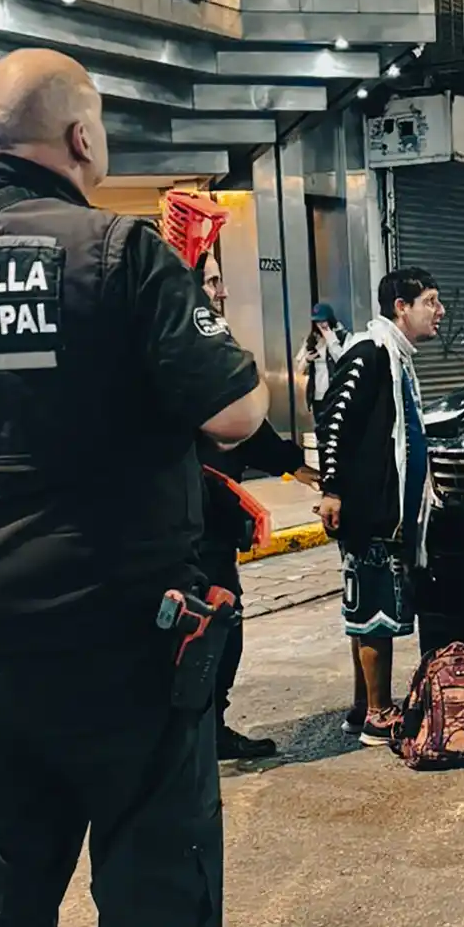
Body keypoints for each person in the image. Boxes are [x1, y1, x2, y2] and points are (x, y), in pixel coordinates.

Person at [0, 49, 270, 927]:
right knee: (156, 897)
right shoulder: (123, 255)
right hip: (129, 650)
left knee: (3, 900)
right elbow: (236, 414)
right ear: (82, 137)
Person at [192, 251, 321, 761]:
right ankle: (198, 737)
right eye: (212, 282)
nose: (222, 292)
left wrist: (310, 473)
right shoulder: (184, 355)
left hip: (208, 523)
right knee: (212, 629)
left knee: (217, 629)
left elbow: (260, 441)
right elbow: (245, 420)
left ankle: (205, 730)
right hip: (190, 526)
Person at [314, 267, 444, 745]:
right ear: (401, 308)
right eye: (430, 301)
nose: (439, 311)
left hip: (384, 513)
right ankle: (377, 712)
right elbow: (332, 420)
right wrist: (331, 488)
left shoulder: (396, 358)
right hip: (370, 513)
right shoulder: (370, 353)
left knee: (370, 611)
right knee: (374, 614)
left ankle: (360, 707)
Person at [296, 302, 350, 418]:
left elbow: (343, 362)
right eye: (317, 322)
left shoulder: (342, 337)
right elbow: (298, 369)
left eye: (323, 321)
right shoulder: (312, 340)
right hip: (318, 397)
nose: (320, 325)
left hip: (336, 394)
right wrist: (307, 359)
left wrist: (331, 339)